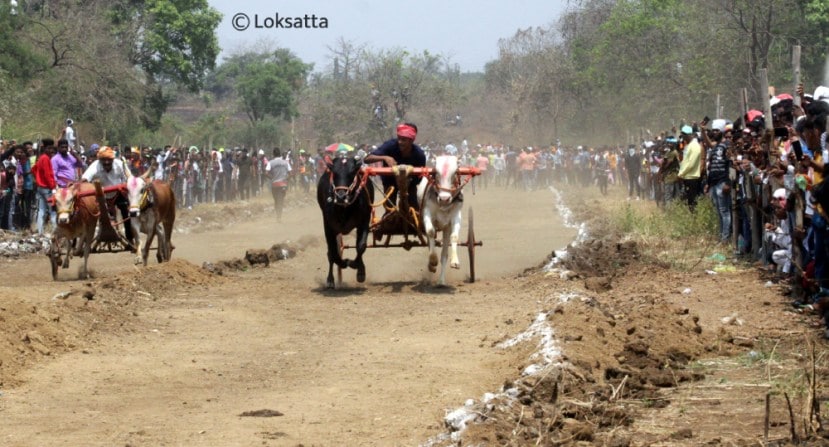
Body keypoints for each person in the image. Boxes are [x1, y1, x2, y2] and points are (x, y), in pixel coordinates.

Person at [364, 122, 426, 210]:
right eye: (399, 138)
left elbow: (420, 177)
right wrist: (385, 157)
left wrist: (407, 182)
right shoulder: (390, 145)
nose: (400, 142)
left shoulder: (419, 154)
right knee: (389, 209)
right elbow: (367, 159)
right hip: (390, 181)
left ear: (411, 140)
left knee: (414, 209)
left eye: (404, 139)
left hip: (410, 184)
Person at [81, 146, 133, 243]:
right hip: (101, 195)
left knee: (126, 212)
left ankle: (130, 238)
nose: (106, 162)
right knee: (92, 213)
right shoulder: (95, 166)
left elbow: (129, 178)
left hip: (118, 193)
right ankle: (87, 239)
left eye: (109, 160)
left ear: (113, 159)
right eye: (103, 160)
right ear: (99, 160)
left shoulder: (120, 164)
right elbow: (85, 179)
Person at [32, 138, 57, 235]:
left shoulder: (41, 157)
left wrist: (38, 179)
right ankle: (56, 231)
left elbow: (33, 169)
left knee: (41, 210)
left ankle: (40, 232)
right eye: (51, 149)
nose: (52, 151)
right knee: (53, 211)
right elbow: (47, 174)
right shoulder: (46, 158)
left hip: (40, 187)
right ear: (48, 148)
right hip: (47, 188)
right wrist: (53, 186)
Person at [678, 125, 703, 210]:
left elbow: (691, 164)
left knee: (692, 202)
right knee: (688, 202)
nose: (683, 138)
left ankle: (694, 219)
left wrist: (681, 173)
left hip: (692, 177)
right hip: (687, 177)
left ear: (688, 135)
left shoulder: (695, 146)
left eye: (683, 136)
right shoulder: (689, 146)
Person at [266, 147, 291, 222]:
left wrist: (272, 178)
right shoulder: (285, 162)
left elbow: (266, 173)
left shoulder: (270, 162)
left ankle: (278, 215)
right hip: (283, 184)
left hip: (275, 184)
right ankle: (279, 216)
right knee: (281, 200)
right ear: (280, 154)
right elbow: (290, 173)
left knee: (276, 200)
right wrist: (286, 179)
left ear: (273, 154)